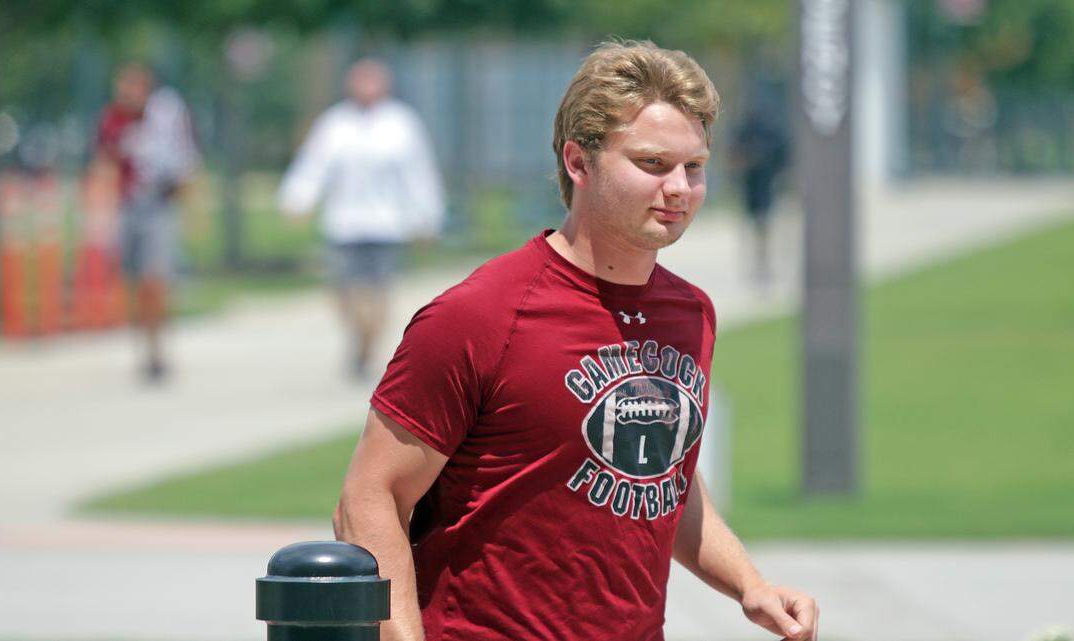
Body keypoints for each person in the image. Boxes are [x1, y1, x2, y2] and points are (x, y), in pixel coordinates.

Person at [333, 41, 818, 641]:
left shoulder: (691, 314)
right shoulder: (480, 315)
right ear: (578, 162)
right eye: (652, 163)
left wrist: (749, 585)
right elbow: (370, 496)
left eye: (693, 167)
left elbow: (661, 475)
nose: (679, 187)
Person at [278, 58, 445, 380]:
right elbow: (314, 166)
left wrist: (427, 217)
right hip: (344, 223)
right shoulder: (335, 124)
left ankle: (368, 344)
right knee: (345, 289)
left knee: (378, 289)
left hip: (386, 223)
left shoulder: (401, 124)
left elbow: (418, 174)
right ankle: (358, 336)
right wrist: (297, 199)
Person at [93, 63, 198, 382]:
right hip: (127, 208)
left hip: (159, 207)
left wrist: (190, 209)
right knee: (133, 282)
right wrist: (100, 214)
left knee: (155, 280)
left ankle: (157, 350)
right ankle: (144, 343)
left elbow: (186, 163)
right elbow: (104, 164)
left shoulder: (165, 118)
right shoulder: (112, 121)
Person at [729, 102, 789, 290]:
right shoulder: (749, 133)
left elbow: (782, 158)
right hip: (751, 190)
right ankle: (756, 268)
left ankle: (762, 267)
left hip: (764, 189)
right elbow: (735, 155)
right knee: (756, 232)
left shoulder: (768, 135)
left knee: (763, 232)